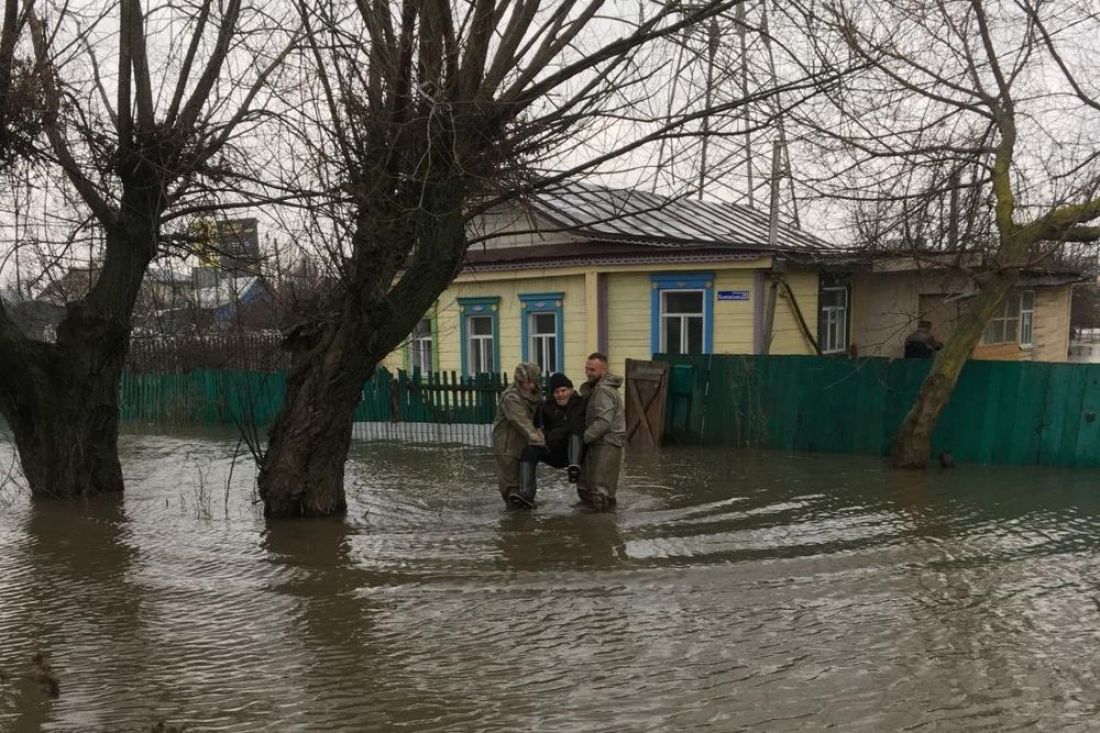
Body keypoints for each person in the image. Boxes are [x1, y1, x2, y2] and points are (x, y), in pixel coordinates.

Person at [512, 372, 587, 507]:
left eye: (564, 390)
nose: (561, 394)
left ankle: (574, 468)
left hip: (576, 452)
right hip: (553, 449)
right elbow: (537, 429)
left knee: (575, 429)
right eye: (557, 392)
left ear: (570, 390)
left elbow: (578, 425)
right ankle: (525, 494)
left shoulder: (581, 404)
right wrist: (547, 435)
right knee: (529, 450)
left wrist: (557, 432)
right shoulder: (545, 407)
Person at [491, 362, 545, 508]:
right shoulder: (511, 397)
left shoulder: (536, 394)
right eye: (527, 382)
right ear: (520, 381)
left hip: (524, 446)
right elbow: (522, 422)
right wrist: (541, 441)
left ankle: (525, 523)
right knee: (512, 490)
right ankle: (513, 525)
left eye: (533, 381)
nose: (531, 385)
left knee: (527, 488)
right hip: (507, 448)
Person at [576, 352, 626, 510]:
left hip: (606, 444)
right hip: (600, 443)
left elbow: (604, 422)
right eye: (587, 369)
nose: (588, 373)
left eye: (592, 370)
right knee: (589, 487)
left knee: (599, 490)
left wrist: (583, 438)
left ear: (603, 371)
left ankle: (602, 530)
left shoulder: (603, 390)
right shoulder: (598, 388)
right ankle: (597, 526)